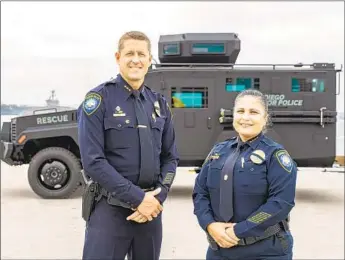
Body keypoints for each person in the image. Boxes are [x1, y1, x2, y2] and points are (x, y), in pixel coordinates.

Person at [77, 31, 179, 260]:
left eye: (141, 54)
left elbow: (170, 158)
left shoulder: (159, 104)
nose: (136, 59)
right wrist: (138, 199)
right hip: (109, 211)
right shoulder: (98, 100)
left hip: (151, 214)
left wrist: (158, 197)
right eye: (129, 53)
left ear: (149, 60)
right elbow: (93, 162)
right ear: (118, 57)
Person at [192, 89, 297, 260]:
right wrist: (210, 225)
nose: (245, 117)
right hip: (219, 250)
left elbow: (281, 203)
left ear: (265, 118)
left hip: (266, 251)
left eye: (254, 112)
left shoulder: (276, 155)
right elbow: (200, 193)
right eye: (240, 111)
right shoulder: (219, 151)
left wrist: (238, 231)